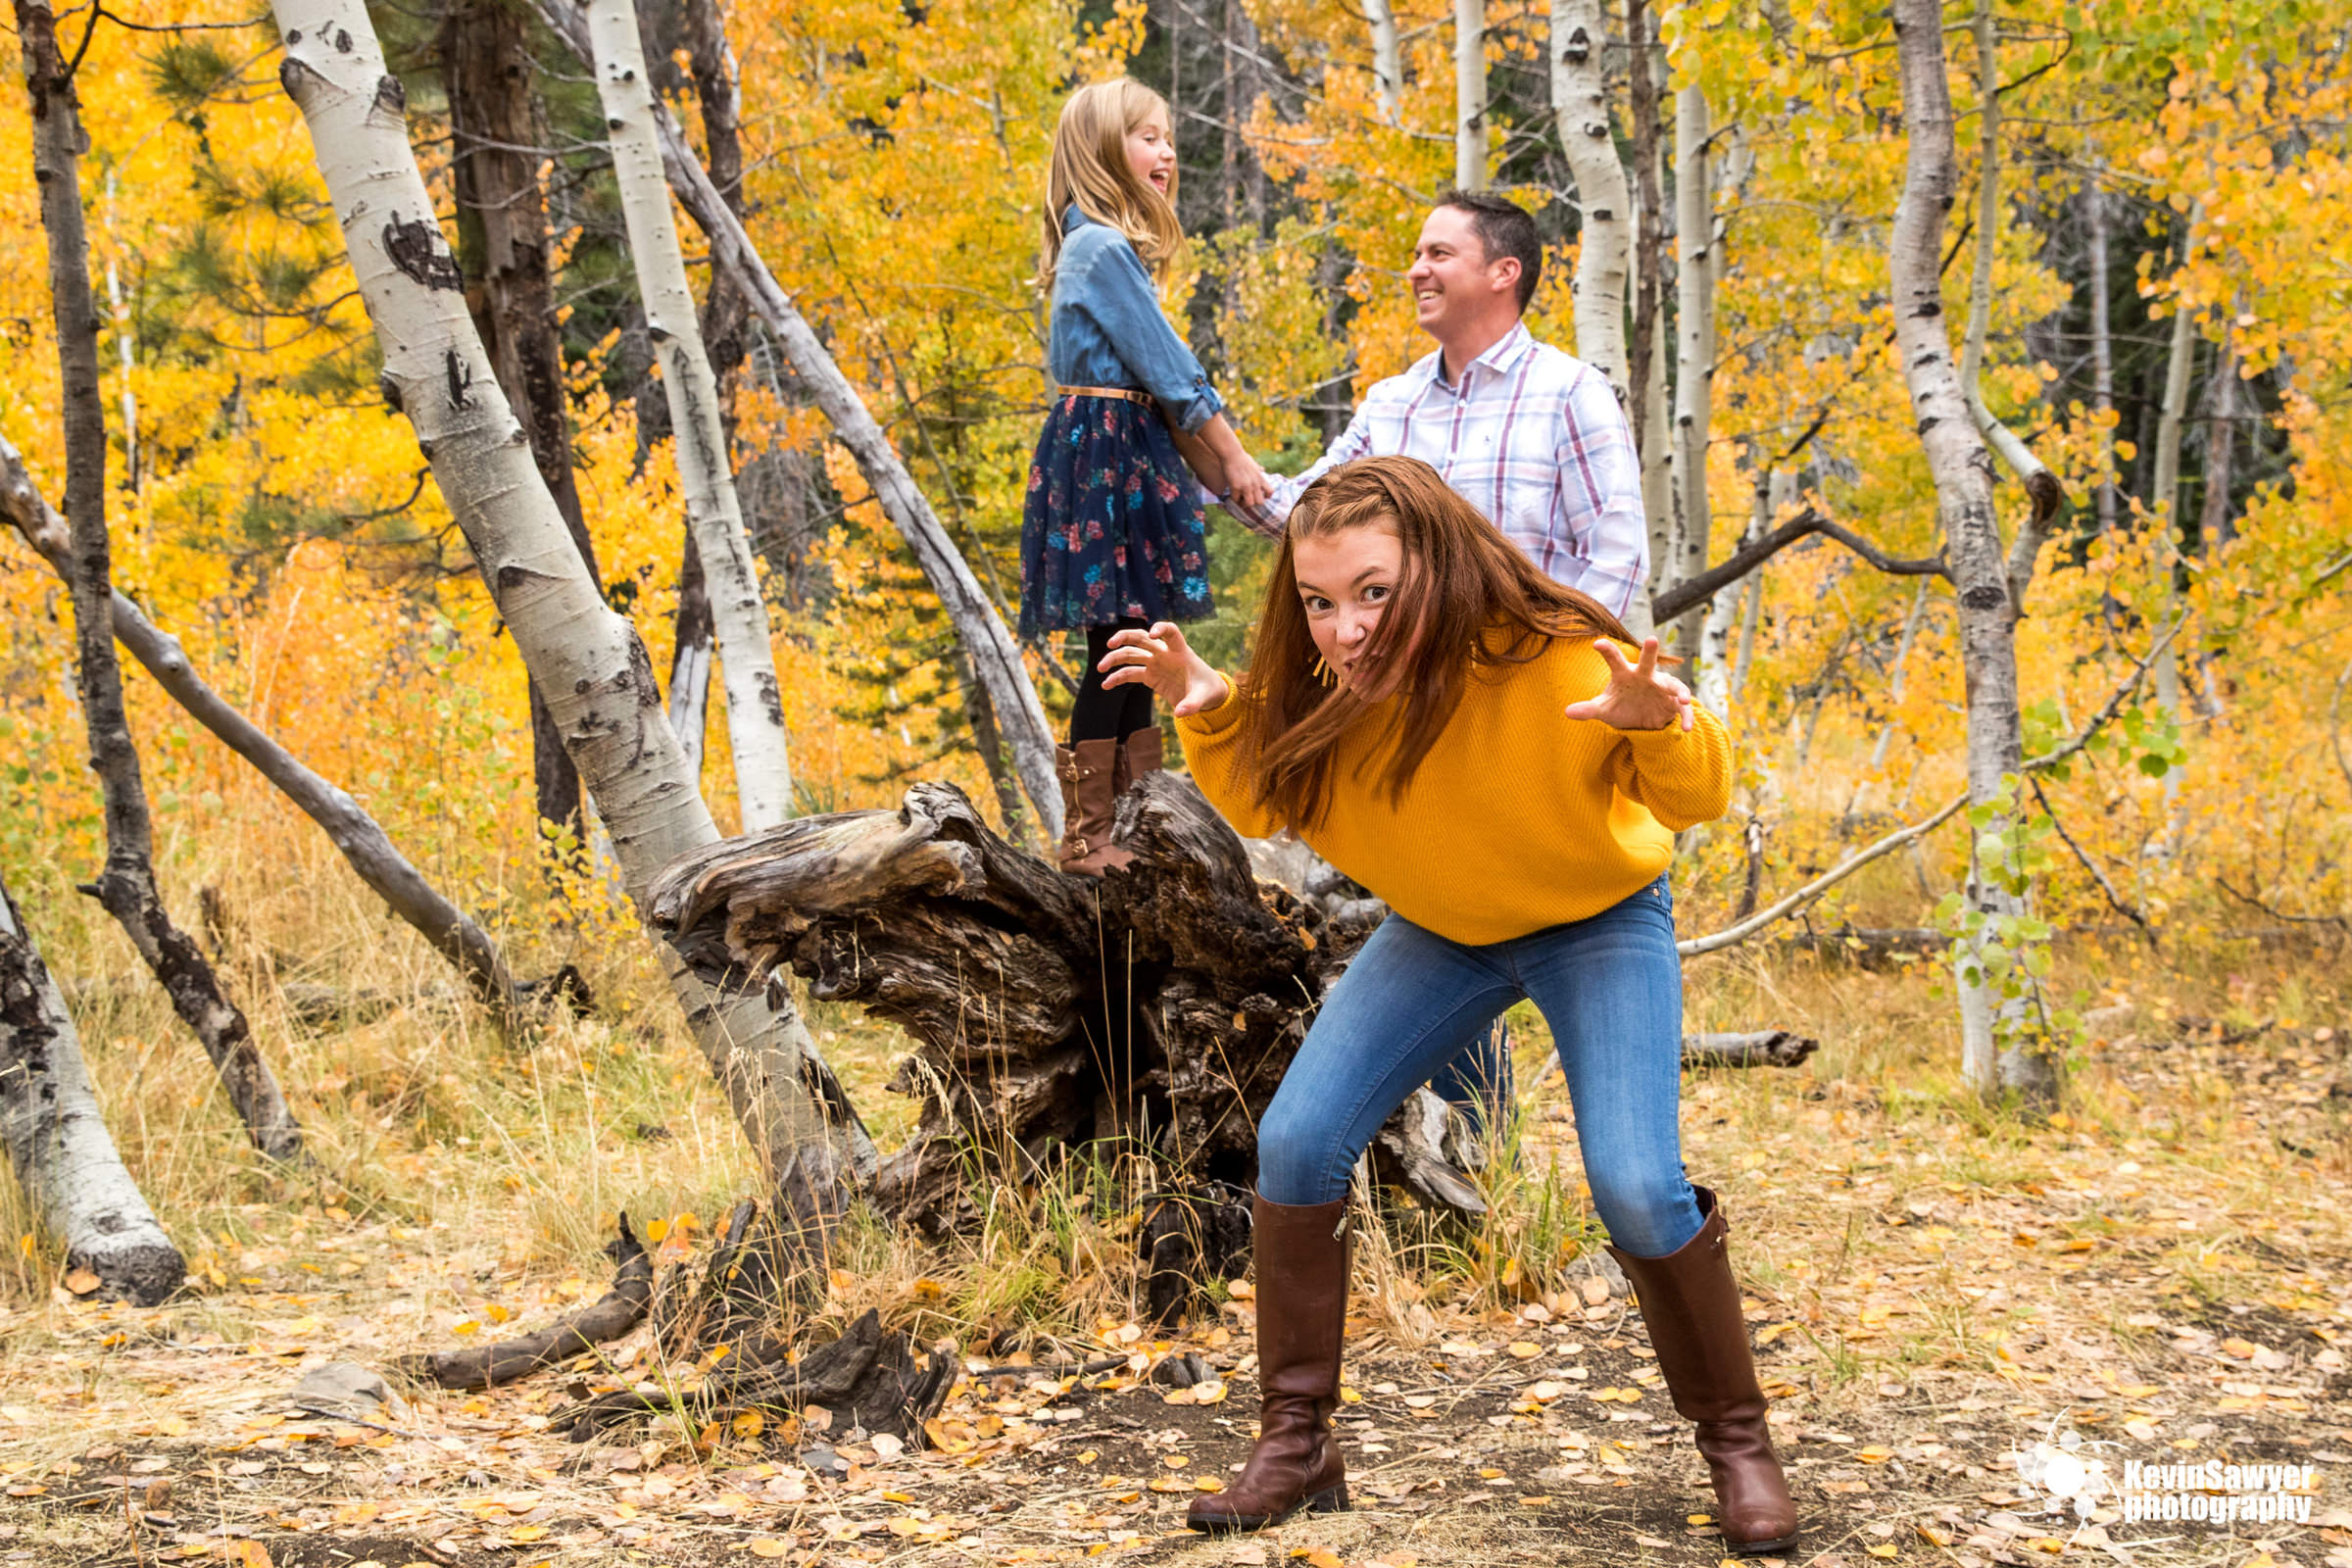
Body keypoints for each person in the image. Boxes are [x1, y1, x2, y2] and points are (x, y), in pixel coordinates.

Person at [1100, 456, 1797, 1556]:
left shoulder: (1556, 653)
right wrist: (1212, 708)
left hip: (1597, 920)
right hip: (1444, 934)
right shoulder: (1337, 695)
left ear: (1435, 562)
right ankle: (1297, 1442)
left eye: (1374, 591)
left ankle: (1737, 1444)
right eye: (1322, 601)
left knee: (1632, 1182)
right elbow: (1265, 795)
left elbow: (1697, 798)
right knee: (1298, 1139)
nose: (1345, 628)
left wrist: (1651, 722)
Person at [1223, 189, 1653, 1136]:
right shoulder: (1393, 401)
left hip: (1528, 722)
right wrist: (1208, 447)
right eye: (1415, 254)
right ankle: (1479, 1157)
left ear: (1505, 272)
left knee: (1544, 913)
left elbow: (1613, 554)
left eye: (1438, 253)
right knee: (1441, 902)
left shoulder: (1569, 393)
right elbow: (1308, 516)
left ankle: (1592, 1150)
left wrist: (1540, 672)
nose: (1417, 269)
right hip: (1410, 721)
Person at [1021, 77, 1271, 874]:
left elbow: (1161, 386)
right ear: (1101, 150)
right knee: (1118, 642)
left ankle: (1131, 822)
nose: (1165, 154)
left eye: (1168, 138)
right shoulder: (1099, 246)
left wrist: (1214, 471)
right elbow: (1172, 370)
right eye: (1145, 137)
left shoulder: (1095, 245)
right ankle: (1091, 835)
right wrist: (1234, 460)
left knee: (1134, 638)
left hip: (1121, 447)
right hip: (1107, 456)